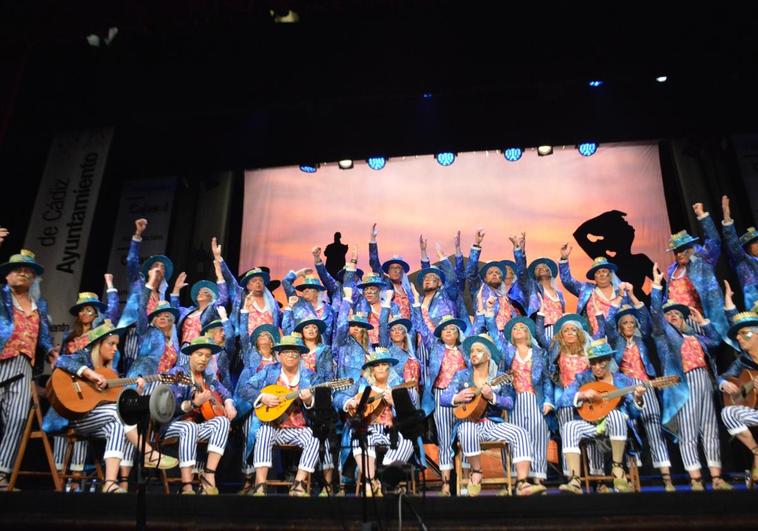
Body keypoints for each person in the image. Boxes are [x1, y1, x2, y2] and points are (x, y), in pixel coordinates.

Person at [52, 320, 178, 493]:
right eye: (111, 344)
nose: (115, 349)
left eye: (116, 345)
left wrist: (138, 392)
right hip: (77, 416)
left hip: (99, 420)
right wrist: (89, 373)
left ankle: (110, 483)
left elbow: (116, 400)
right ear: (99, 344)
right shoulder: (85, 356)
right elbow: (61, 360)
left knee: (117, 425)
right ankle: (148, 453)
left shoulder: (111, 372)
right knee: (117, 413)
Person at [651, 264, 732, 491]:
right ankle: (695, 478)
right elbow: (656, 316)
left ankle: (716, 477)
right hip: (683, 384)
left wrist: (703, 322)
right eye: (670, 314)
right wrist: (657, 287)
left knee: (710, 428)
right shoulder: (664, 337)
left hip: (704, 381)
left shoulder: (695, 336)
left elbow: (716, 342)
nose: (674, 316)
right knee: (688, 431)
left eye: (677, 313)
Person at [441, 333, 544, 496]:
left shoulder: (500, 377)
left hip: (492, 424)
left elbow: (509, 403)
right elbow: (443, 398)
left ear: (488, 356)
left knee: (521, 433)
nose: (474, 353)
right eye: (472, 351)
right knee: (467, 430)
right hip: (469, 424)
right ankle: (477, 471)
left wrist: (493, 397)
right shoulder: (462, 376)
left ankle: (522, 482)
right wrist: (457, 397)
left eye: (479, 350)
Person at [604, 293, 675, 491]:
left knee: (654, 428)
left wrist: (634, 299)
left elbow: (645, 316)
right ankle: (632, 478)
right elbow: (608, 323)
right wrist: (617, 300)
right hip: (626, 386)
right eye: (625, 323)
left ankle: (667, 478)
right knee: (630, 430)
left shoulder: (641, 339)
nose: (629, 326)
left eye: (631, 323)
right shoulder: (615, 341)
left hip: (646, 384)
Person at [0, 247, 58, 489]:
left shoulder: (39, 304)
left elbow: (43, 335)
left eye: (28, 271)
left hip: (24, 364)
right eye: (18, 270)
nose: (23, 274)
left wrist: (50, 350)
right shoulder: (2, 296)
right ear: (7, 276)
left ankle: (2, 472)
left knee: (18, 417)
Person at [558, 339, 645, 494]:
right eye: (593, 363)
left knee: (616, 415)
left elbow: (633, 413)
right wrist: (583, 394)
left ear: (609, 360)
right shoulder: (583, 378)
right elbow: (563, 399)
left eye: (601, 363)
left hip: (615, 427)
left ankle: (617, 468)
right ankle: (574, 481)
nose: (597, 367)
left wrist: (638, 398)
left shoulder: (623, 381)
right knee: (569, 426)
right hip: (591, 423)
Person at [239, 335, 323, 496]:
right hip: (274, 426)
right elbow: (245, 388)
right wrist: (262, 397)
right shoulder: (270, 371)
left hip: (299, 428)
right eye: (287, 352)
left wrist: (309, 400)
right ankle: (260, 484)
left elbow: (323, 403)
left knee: (314, 438)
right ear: (280, 355)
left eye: (295, 353)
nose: (291, 356)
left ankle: (298, 483)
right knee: (263, 432)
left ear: (300, 356)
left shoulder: (310, 376)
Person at [336, 349, 418, 497]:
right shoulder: (361, 385)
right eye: (377, 365)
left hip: (392, 430)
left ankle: (384, 478)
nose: (380, 368)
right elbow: (338, 397)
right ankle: (370, 481)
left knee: (408, 442)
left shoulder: (398, 386)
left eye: (384, 364)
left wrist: (395, 402)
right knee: (358, 438)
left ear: (389, 369)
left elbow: (410, 414)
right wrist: (350, 402)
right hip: (368, 428)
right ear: (371, 370)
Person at [161, 336, 236, 494]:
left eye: (207, 356)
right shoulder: (176, 373)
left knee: (223, 422)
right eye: (199, 354)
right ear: (190, 355)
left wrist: (229, 403)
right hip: (173, 424)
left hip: (197, 426)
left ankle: (208, 476)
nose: (204, 359)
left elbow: (225, 392)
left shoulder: (208, 377)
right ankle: (187, 485)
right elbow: (167, 407)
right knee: (189, 427)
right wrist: (193, 404)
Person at [718, 311, 758, 483]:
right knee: (727, 413)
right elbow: (722, 377)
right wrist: (723, 383)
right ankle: (757, 452)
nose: (739, 339)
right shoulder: (742, 361)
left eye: (743, 334)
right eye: (737, 336)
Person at [721, 195, 758, 310]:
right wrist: (727, 218)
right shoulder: (743, 261)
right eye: (754, 243)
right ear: (747, 248)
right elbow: (732, 243)